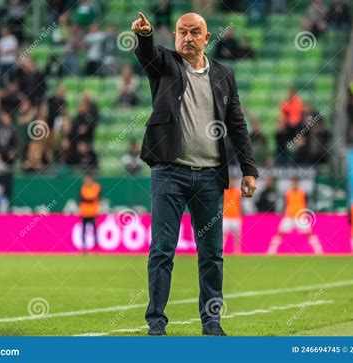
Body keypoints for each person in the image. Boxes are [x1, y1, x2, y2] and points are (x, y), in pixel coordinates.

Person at [131, 12, 259, 336]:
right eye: (181, 32)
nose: (187, 38)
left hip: (209, 177)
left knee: (212, 255)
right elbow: (147, 54)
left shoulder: (224, 75)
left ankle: (211, 322)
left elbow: (237, 125)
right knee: (161, 250)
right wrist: (145, 36)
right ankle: (156, 323)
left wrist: (249, 170)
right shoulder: (165, 65)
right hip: (168, 173)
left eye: (194, 32)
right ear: (174, 36)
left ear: (207, 37)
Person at [268, 178, 322, 254]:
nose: (293, 184)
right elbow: (285, 205)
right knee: (280, 233)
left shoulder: (303, 192)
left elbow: (309, 204)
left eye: (295, 183)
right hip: (289, 217)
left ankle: (318, 251)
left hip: (300, 217)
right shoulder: (288, 193)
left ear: (297, 183)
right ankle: (271, 251)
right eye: (292, 183)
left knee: (309, 234)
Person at [79, 174, 101, 254]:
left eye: (88, 180)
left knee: (95, 230)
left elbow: (91, 198)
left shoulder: (96, 187)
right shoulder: (83, 187)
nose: (87, 181)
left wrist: (89, 198)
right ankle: (84, 248)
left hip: (93, 212)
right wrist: (90, 198)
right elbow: (85, 198)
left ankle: (96, 249)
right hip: (84, 212)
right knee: (84, 230)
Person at [222, 176, 242, 253]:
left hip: (236, 217)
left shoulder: (237, 192)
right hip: (226, 217)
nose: (232, 183)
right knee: (223, 236)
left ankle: (237, 252)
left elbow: (240, 205)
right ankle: (221, 252)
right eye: (230, 182)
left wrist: (240, 216)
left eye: (233, 182)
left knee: (237, 237)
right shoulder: (224, 191)